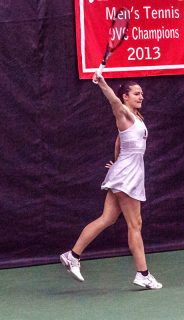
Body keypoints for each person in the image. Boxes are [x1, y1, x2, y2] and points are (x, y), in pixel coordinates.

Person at [60, 73, 162, 289]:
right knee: (135, 225)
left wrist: (117, 163)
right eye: (136, 93)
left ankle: (73, 255)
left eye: (141, 93)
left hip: (125, 173)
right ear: (125, 97)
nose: (141, 96)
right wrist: (102, 82)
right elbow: (113, 100)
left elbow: (119, 141)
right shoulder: (122, 112)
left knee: (107, 218)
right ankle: (142, 274)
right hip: (127, 177)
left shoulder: (136, 118)